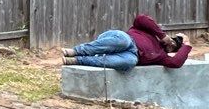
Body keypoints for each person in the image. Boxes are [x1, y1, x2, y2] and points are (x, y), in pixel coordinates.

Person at [63, 13, 191, 70]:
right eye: (173, 41)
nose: (172, 44)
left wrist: (186, 45)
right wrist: (162, 36)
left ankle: (78, 60)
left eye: (175, 47)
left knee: (130, 62)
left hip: (131, 55)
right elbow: (141, 18)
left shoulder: (162, 57)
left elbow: (176, 63)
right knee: (124, 41)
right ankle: (76, 51)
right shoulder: (152, 32)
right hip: (122, 39)